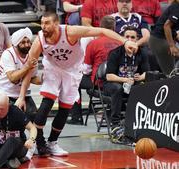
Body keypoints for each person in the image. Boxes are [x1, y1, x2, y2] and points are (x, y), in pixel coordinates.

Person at [15, 12, 138, 156]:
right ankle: (37, 143)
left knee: (65, 109)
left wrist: (125, 41)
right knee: (46, 103)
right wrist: (22, 95)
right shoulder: (39, 41)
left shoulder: (70, 32)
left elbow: (102, 30)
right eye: (42, 23)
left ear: (56, 24)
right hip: (53, 69)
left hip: (72, 71)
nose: (43, 26)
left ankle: (52, 143)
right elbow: (30, 69)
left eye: (47, 23)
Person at [67, 15, 122, 125]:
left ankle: (76, 117)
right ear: (114, 28)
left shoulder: (93, 43)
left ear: (100, 27)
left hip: (99, 83)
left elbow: (86, 70)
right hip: (118, 80)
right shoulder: (120, 43)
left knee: (72, 81)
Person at [104, 26, 149, 129]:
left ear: (137, 39)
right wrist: (125, 79)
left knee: (143, 86)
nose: (130, 40)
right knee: (117, 88)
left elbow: (147, 73)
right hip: (113, 83)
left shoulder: (142, 53)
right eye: (127, 37)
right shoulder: (115, 53)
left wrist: (140, 77)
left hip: (132, 83)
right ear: (123, 38)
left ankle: (137, 120)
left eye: (133, 37)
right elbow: (109, 76)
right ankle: (115, 122)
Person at [0, 27, 41, 121]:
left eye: (28, 42)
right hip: (3, 91)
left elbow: (32, 78)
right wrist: (27, 66)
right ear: (16, 44)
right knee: (12, 117)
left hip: (21, 92)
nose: (27, 45)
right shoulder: (8, 54)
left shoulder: (32, 55)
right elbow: (13, 78)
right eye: (23, 42)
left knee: (33, 115)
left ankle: (36, 136)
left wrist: (43, 79)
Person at [149, 0, 179, 75]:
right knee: (170, 73)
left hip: (163, 39)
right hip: (159, 40)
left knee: (171, 72)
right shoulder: (177, 8)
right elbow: (166, 26)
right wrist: (172, 46)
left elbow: (173, 30)